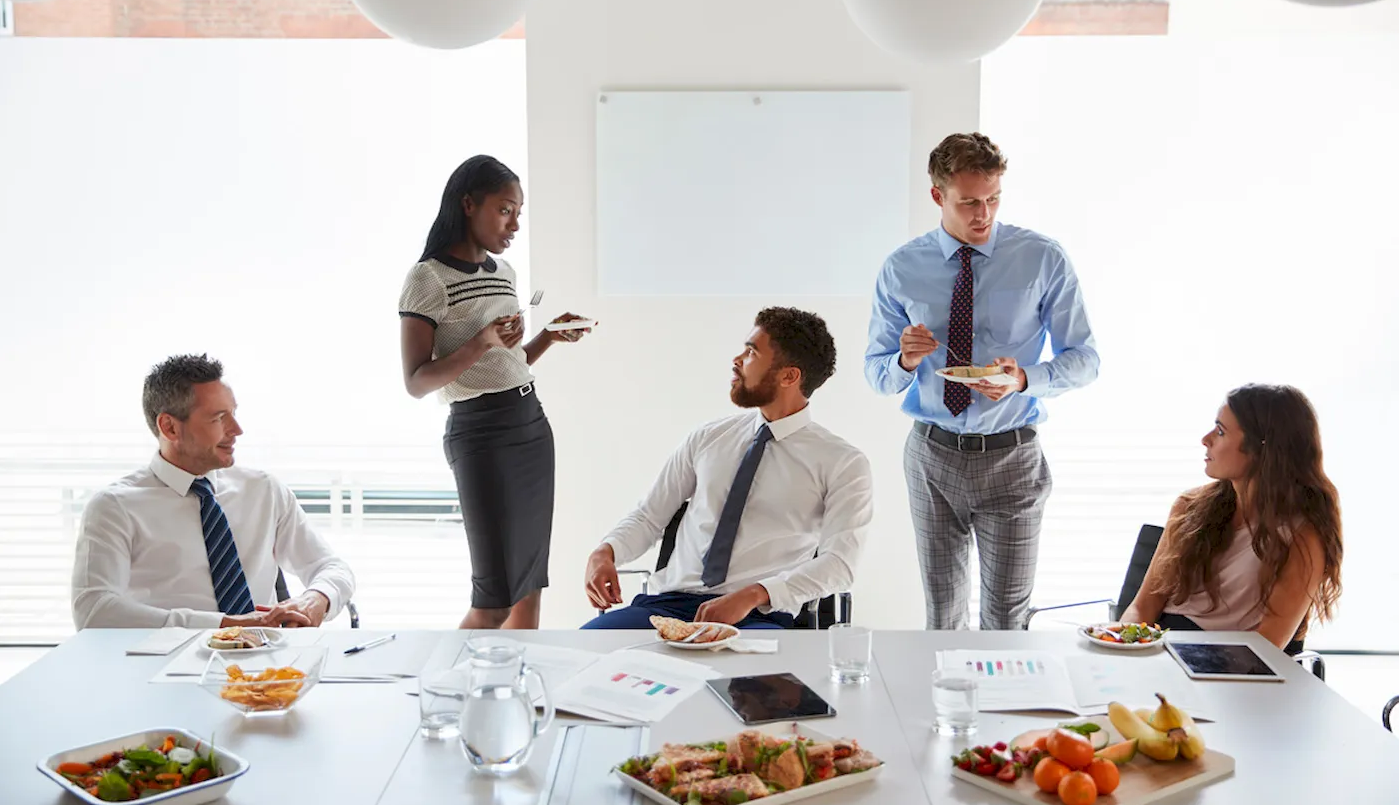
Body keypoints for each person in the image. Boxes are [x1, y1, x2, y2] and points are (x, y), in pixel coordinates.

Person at [865, 132, 1099, 631]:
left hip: (1013, 457)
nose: (983, 214)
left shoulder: (1042, 258)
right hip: (931, 456)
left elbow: (1085, 359)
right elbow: (876, 374)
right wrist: (904, 362)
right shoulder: (902, 268)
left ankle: (1003, 706)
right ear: (937, 196)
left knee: (1007, 619)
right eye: (969, 201)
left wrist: (1024, 380)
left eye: (993, 199)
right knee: (943, 615)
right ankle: (947, 711)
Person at [583, 308, 873, 630]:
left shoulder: (843, 463)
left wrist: (753, 594)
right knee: (590, 654)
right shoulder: (708, 438)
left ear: (789, 376)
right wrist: (605, 552)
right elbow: (650, 516)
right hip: (669, 606)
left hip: (758, 616)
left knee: (752, 680)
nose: (737, 360)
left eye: (751, 352)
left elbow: (840, 564)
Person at [399, 155, 591, 630]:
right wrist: (481, 340)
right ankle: (438, 692)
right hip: (479, 434)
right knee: (493, 602)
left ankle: (514, 702)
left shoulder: (504, 272)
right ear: (469, 204)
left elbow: (507, 363)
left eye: (519, 213)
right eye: (506, 210)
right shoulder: (427, 279)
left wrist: (547, 337)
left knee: (527, 594)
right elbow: (416, 381)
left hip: (530, 425)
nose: (515, 224)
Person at [71, 354, 356, 630]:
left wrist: (315, 599)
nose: (237, 430)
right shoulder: (114, 506)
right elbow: (94, 609)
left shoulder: (263, 491)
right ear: (169, 427)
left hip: (264, 671)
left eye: (234, 414)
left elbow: (330, 567)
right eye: (219, 418)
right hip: (162, 667)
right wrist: (223, 626)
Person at [1120, 384, 1342, 652]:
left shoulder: (1302, 535)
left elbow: (1266, 648)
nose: (1205, 439)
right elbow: (1143, 606)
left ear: (1262, 449)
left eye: (1221, 431)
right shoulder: (1188, 507)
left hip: (1230, 667)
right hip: (1160, 651)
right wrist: (1122, 647)